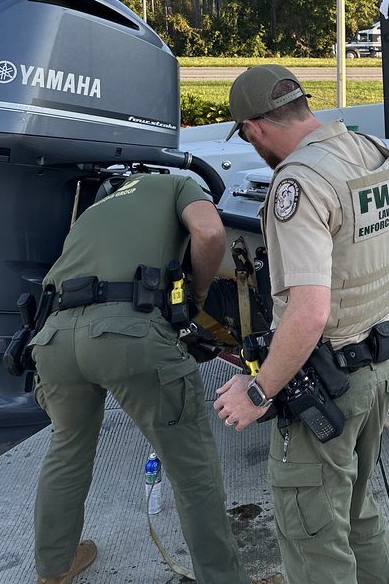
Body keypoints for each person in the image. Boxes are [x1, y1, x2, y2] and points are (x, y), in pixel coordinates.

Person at [213, 65, 389, 584]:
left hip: (328, 387)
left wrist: (258, 391)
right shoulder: (371, 154)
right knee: (359, 515)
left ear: (253, 129)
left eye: (251, 138)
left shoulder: (298, 182)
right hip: (377, 371)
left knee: (313, 537)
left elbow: (309, 310)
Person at [30, 172, 250, 584]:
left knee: (67, 450)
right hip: (129, 332)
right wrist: (195, 299)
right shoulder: (175, 184)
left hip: (53, 340)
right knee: (191, 467)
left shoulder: (95, 210)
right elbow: (208, 230)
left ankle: (53, 569)